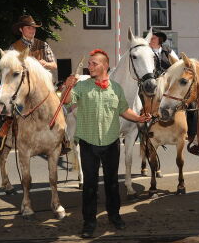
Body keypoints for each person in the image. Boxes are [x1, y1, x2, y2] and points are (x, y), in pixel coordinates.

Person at [64, 49, 151, 238]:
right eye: (89, 63)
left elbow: (124, 110)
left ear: (104, 65)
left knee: (112, 184)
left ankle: (115, 216)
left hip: (111, 143)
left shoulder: (116, 88)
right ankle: (89, 223)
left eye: (94, 63)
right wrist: (67, 86)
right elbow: (67, 100)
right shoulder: (83, 86)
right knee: (89, 186)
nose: (90, 66)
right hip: (88, 143)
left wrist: (138, 118)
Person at [0, 15, 58, 151]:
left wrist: (46, 63)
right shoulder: (13, 48)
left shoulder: (43, 44)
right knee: (9, 108)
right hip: (22, 88)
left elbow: (54, 65)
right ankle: (1, 134)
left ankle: (64, 137)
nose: (32, 30)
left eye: (33, 28)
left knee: (60, 106)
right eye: (28, 27)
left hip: (43, 86)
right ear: (21, 29)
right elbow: (8, 70)